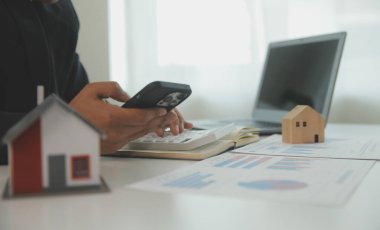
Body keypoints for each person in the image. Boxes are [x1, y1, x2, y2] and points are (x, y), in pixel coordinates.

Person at [0, 0, 192, 165]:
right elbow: (68, 126)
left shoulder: (62, 13)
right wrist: (59, 133)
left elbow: (77, 106)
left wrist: (133, 122)